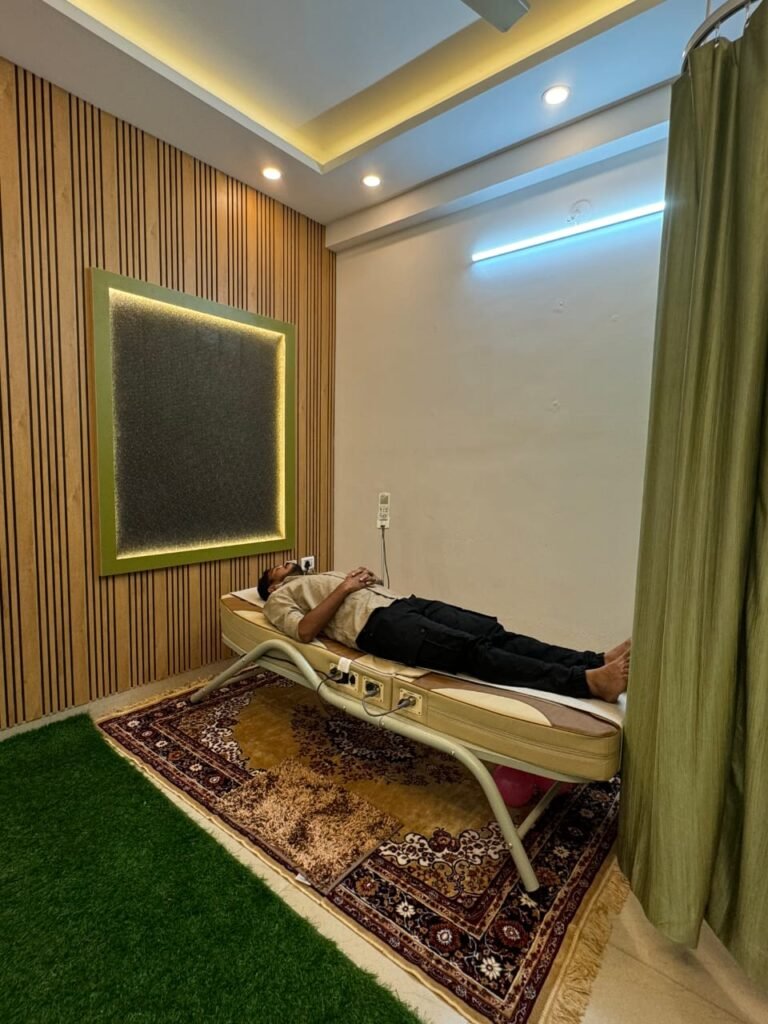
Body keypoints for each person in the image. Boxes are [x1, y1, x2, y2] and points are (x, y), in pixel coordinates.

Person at [257, 563, 629, 703]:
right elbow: (304, 631)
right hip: (379, 627)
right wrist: (344, 587)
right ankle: (586, 683)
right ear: (272, 585)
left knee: (495, 635)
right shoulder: (279, 599)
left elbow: (353, 594)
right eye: (279, 567)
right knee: (474, 653)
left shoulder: (318, 575)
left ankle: (593, 661)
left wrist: (366, 580)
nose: (289, 562)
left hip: (403, 604)